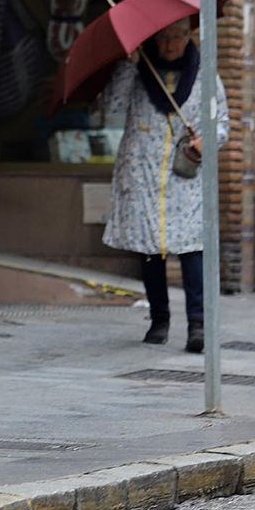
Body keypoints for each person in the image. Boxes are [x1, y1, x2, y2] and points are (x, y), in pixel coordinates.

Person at [102, 18, 229, 354]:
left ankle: (197, 324)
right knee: (149, 250)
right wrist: (127, 69)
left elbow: (222, 125)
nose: (169, 46)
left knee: (191, 249)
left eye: (176, 38)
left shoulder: (205, 75)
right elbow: (111, 110)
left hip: (184, 176)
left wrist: (207, 140)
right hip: (143, 175)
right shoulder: (140, 71)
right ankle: (159, 320)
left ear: (189, 38)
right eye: (162, 39)